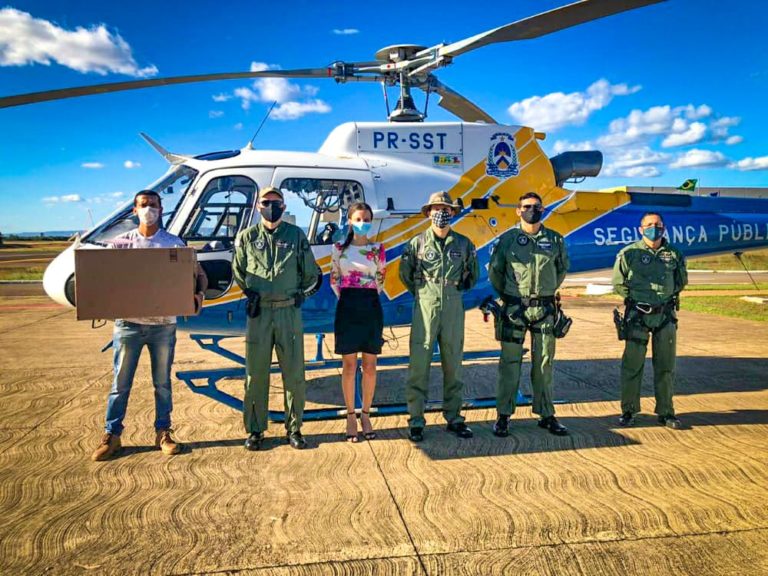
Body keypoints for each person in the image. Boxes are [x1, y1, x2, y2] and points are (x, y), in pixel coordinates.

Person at [92, 190, 208, 461]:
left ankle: (163, 432)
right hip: (128, 325)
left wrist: (198, 295)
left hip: (163, 326)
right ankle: (112, 434)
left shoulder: (175, 245)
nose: (148, 209)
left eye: (153, 205)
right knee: (120, 383)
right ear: (134, 210)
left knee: (162, 383)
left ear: (161, 209)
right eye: (143, 205)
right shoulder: (119, 245)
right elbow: (105, 282)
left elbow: (197, 275)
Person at [233, 186, 320, 450]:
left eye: (276, 202)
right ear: (258, 206)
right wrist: (250, 293)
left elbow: (311, 272)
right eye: (266, 202)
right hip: (259, 314)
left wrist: (299, 296)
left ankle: (294, 428)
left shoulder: (296, 235)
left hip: (288, 312)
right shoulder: (247, 237)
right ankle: (256, 430)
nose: (271, 206)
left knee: (293, 373)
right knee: (255, 373)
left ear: (284, 206)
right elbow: (238, 268)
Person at [399, 191, 479, 442]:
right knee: (419, 364)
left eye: (445, 208)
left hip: (453, 305)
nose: (440, 213)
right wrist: (425, 292)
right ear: (428, 212)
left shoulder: (464, 244)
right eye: (436, 208)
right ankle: (416, 420)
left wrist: (451, 291)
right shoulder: (417, 243)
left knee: (453, 363)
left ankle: (454, 418)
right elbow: (406, 274)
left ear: (453, 213)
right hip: (425, 303)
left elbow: (472, 275)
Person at [488, 192, 570, 437]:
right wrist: (511, 297)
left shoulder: (554, 240)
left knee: (544, 363)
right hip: (515, 310)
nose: (531, 210)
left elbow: (561, 270)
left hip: (544, 310)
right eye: (526, 206)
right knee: (510, 364)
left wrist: (546, 293)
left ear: (542, 209)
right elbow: (496, 272)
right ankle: (503, 415)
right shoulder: (508, 240)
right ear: (518, 210)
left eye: (536, 206)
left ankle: (546, 414)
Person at [612, 212, 688, 429]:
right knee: (632, 365)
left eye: (658, 224)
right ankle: (628, 411)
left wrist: (662, 300)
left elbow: (681, 281)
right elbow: (618, 282)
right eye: (649, 224)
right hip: (637, 317)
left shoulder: (674, 254)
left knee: (666, 366)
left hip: (665, 317)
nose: (654, 228)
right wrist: (636, 300)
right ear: (640, 228)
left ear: (663, 227)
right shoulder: (629, 253)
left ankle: (666, 412)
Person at [330, 202, 386, 442]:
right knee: (350, 366)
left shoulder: (378, 249)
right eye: (358, 219)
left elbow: (381, 280)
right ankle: (351, 415)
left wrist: (366, 293)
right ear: (350, 221)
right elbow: (334, 280)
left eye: (367, 219)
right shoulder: (339, 248)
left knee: (370, 366)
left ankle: (366, 414)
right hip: (348, 306)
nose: (363, 223)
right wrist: (350, 296)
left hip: (371, 305)